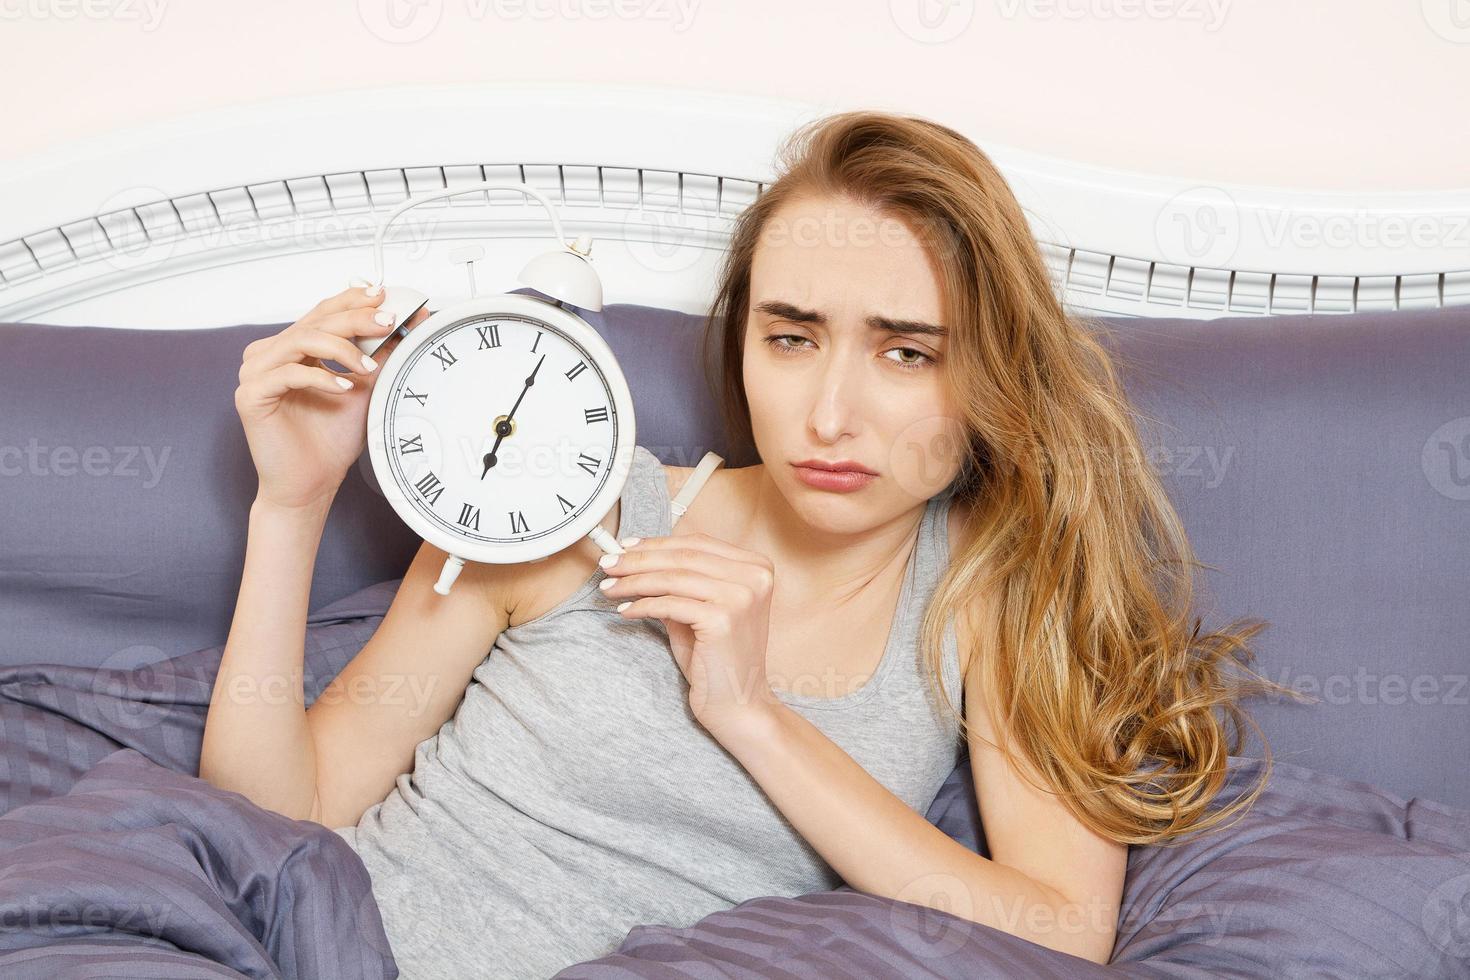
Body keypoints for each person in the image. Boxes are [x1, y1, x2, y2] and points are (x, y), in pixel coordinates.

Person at [200, 110, 1290, 977]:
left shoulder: (986, 590)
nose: (829, 413)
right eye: (792, 336)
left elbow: (1058, 931)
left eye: (907, 352)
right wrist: (290, 507)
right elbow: (278, 812)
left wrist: (751, 711)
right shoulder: (576, 497)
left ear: (990, 371)